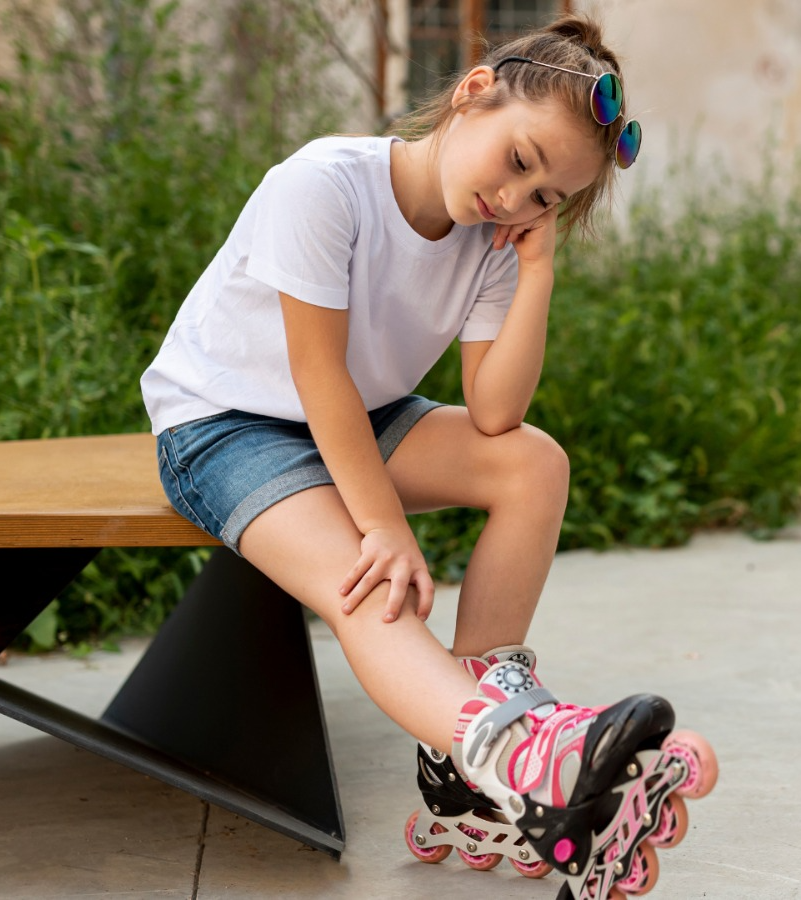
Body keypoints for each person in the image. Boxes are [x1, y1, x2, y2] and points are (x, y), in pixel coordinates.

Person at [139, 13, 715, 899]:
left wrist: (537, 272)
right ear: (472, 92)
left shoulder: (493, 238)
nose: (517, 201)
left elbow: (495, 412)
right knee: (373, 585)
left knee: (535, 463)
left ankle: (467, 772)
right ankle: (514, 750)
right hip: (227, 424)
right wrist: (382, 527)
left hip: (362, 416)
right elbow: (316, 374)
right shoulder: (323, 183)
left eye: (547, 199)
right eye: (520, 162)